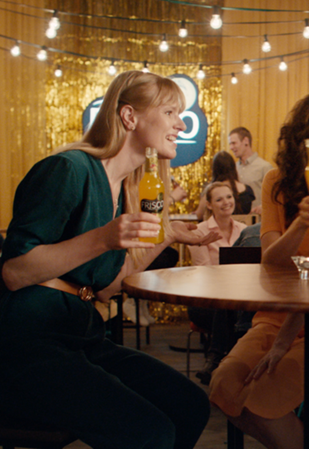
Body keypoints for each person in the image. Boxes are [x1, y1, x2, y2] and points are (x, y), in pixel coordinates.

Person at [0, 71, 216, 448]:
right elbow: (15, 272)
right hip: (28, 343)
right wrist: (102, 238)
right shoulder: (69, 169)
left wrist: (167, 235)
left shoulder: (125, 190)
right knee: (150, 433)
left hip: (81, 337)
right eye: (170, 112)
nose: (182, 125)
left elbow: (108, 289)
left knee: (190, 405)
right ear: (129, 117)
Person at [209, 92, 309, 449]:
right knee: (224, 386)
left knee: (259, 401)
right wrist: (301, 222)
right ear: (306, 142)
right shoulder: (276, 181)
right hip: (277, 316)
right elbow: (271, 260)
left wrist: (284, 341)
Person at [187, 181, 249, 385]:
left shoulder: (245, 230)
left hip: (236, 301)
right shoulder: (200, 231)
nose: (226, 202)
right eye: (219, 199)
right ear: (209, 205)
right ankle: (229, 367)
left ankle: (217, 361)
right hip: (204, 302)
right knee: (229, 308)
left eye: (229, 197)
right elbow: (203, 273)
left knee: (233, 308)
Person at [195, 151, 255, 219]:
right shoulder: (248, 190)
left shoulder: (212, 190)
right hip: (244, 225)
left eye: (229, 197)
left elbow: (199, 215)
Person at [229, 127, 273, 215]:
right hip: (237, 220)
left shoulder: (264, 167)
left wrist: (263, 207)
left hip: (258, 219)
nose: (231, 147)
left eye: (233, 143)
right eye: (230, 144)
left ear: (246, 141)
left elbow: (274, 195)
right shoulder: (233, 168)